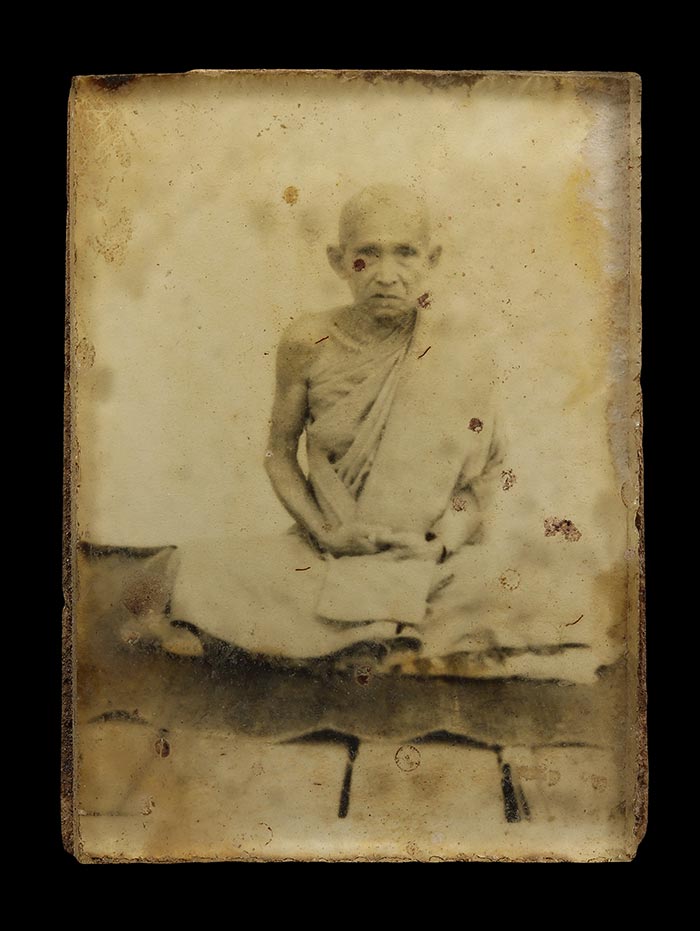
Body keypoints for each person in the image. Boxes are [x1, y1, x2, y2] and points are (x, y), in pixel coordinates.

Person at [121, 184, 617, 683]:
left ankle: (341, 636)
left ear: (431, 259)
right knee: (198, 566)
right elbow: (279, 455)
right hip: (328, 554)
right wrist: (327, 534)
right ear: (339, 261)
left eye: (405, 253)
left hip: (427, 561)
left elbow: (483, 478)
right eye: (368, 254)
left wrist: (438, 544)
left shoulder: (464, 351)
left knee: (551, 583)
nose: (386, 275)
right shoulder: (308, 341)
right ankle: (408, 639)